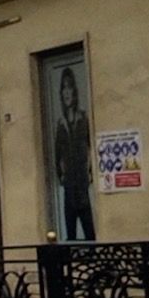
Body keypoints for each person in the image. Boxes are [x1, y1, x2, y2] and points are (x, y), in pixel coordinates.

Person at [52, 68, 95, 241]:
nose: (67, 92)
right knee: (69, 232)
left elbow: (90, 146)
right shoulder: (60, 124)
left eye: (70, 87)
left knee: (89, 229)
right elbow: (57, 155)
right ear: (61, 93)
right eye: (64, 87)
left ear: (75, 91)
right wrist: (61, 176)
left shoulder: (83, 118)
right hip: (69, 184)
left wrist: (90, 171)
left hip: (83, 183)